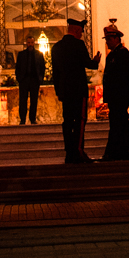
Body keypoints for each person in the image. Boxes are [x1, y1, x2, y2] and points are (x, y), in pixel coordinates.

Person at [50, 17, 100, 164]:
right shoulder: (78, 44)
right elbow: (87, 64)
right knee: (79, 121)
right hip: (78, 90)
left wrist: (59, 91)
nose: (82, 35)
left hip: (65, 91)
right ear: (77, 30)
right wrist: (95, 61)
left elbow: (55, 73)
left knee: (67, 121)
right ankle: (78, 151)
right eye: (81, 32)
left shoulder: (57, 47)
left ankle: (69, 152)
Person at [99, 20, 129, 161]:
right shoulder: (111, 56)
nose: (107, 42)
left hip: (120, 96)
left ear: (116, 38)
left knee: (120, 123)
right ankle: (115, 151)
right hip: (114, 97)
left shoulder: (123, 54)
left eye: (109, 38)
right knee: (115, 123)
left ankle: (120, 151)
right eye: (107, 39)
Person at [14, 36, 46, 125]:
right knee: (23, 100)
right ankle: (23, 119)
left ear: (34, 43)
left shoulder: (39, 54)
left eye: (31, 43)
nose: (30, 45)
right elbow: (18, 68)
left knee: (34, 100)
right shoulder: (21, 54)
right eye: (28, 43)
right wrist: (19, 78)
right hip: (24, 80)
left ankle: (32, 119)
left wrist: (40, 79)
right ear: (26, 43)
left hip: (34, 80)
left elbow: (42, 67)